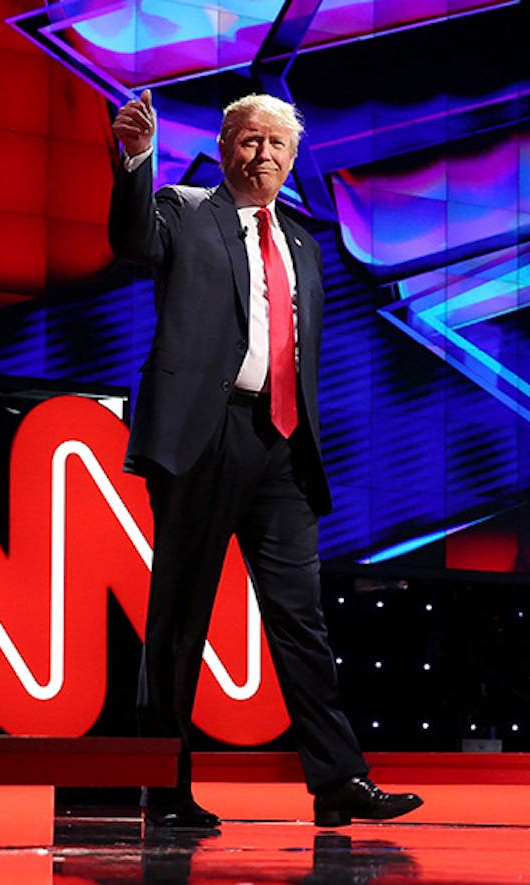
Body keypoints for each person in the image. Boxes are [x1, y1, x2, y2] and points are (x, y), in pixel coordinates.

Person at [109, 89, 423, 829]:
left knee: (301, 617)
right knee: (181, 616)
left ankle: (339, 779)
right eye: (250, 141)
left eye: (276, 145)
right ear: (225, 149)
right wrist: (133, 159)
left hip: (282, 444)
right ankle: (164, 782)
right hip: (202, 435)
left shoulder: (306, 244)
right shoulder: (185, 210)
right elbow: (132, 241)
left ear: (291, 159)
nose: (262, 156)